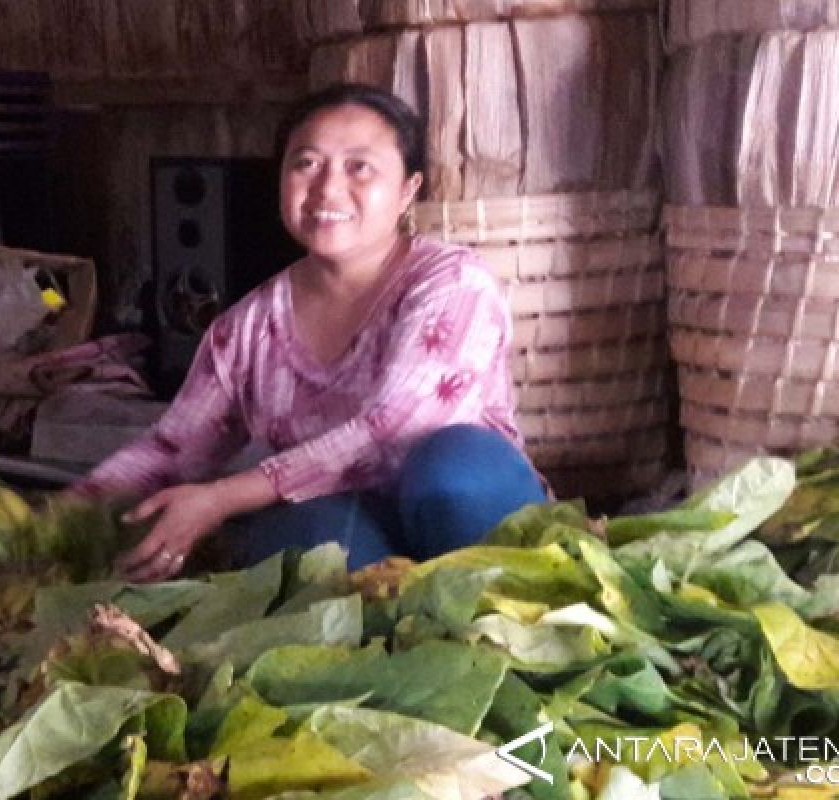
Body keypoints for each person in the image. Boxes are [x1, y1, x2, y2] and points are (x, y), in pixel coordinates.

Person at [71, 83, 548, 582]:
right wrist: (61, 517)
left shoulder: (451, 282)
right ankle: (405, 637)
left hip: (466, 511)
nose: (327, 189)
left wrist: (224, 497)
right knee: (312, 544)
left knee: (456, 469)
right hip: (364, 522)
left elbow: (394, 426)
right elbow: (172, 450)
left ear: (409, 189)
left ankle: (518, 611)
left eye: (359, 167)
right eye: (307, 164)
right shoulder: (246, 329)